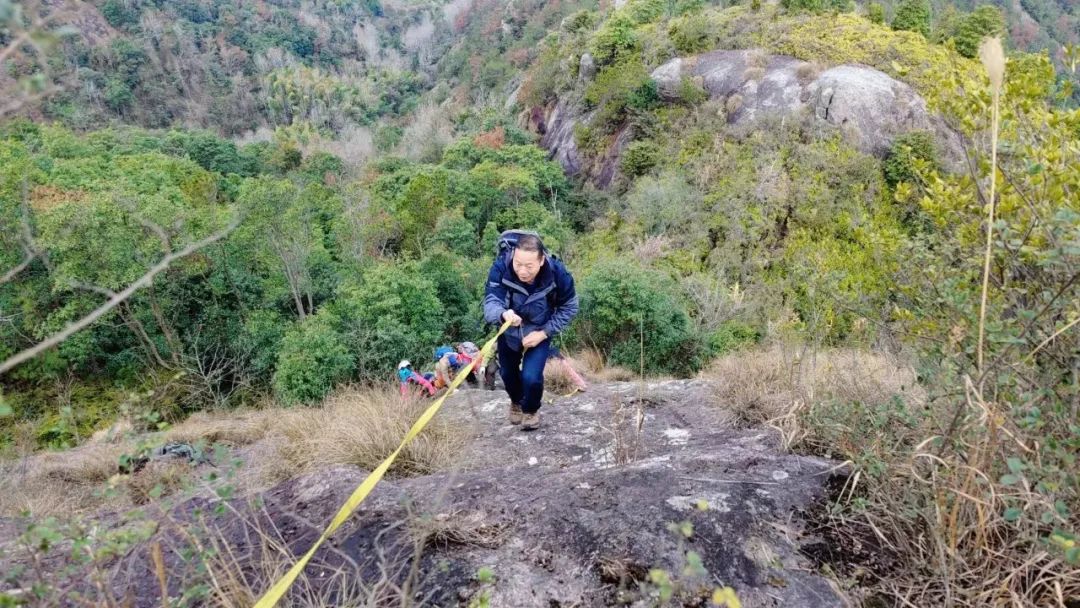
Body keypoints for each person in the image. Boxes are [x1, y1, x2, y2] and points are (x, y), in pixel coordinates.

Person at [483, 232, 578, 430]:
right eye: (518, 264)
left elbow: (569, 307)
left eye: (529, 266)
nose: (522, 271)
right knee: (507, 374)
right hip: (509, 329)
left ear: (541, 260)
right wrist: (503, 314)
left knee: (531, 378)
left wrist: (544, 333)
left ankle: (531, 410)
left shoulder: (558, 274)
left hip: (539, 329)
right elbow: (491, 301)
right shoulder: (502, 267)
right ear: (513, 256)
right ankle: (517, 401)